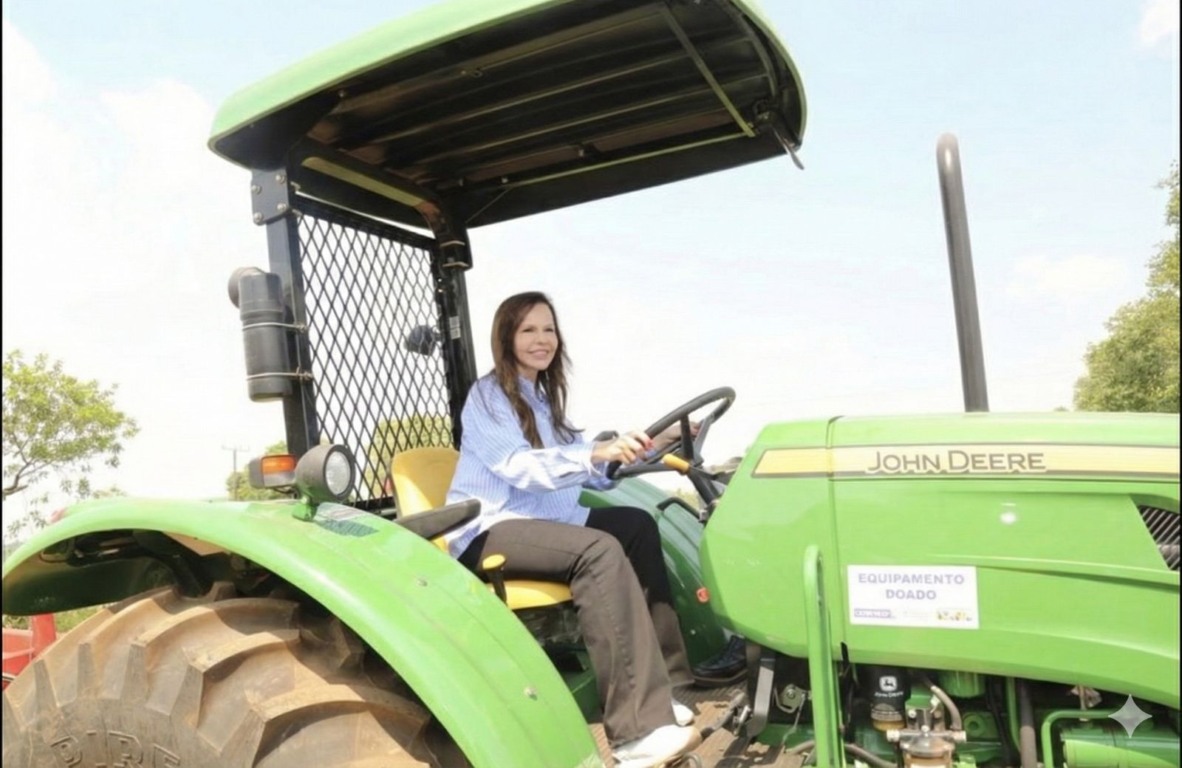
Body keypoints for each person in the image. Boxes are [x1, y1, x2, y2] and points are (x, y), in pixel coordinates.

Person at [444, 291, 700, 768]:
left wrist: (644, 446)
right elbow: (520, 467)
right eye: (528, 330)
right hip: (489, 528)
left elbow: (585, 471)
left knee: (636, 525)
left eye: (549, 329)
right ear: (506, 337)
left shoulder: (543, 399)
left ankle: (669, 691)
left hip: (546, 521)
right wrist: (595, 452)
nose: (541, 339)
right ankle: (634, 734)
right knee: (597, 551)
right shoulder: (487, 396)